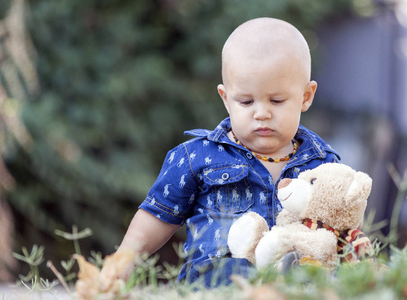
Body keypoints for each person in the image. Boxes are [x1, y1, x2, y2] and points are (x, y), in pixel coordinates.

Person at [114, 17, 340, 287]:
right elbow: (157, 216)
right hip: (219, 279)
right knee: (234, 270)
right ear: (226, 98)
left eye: (277, 101)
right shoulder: (198, 157)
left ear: (305, 97)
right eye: (246, 101)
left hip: (296, 283)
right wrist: (122, 262)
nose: (262, 113)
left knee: (317, 275)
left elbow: (340, 232)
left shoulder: (324, 164)